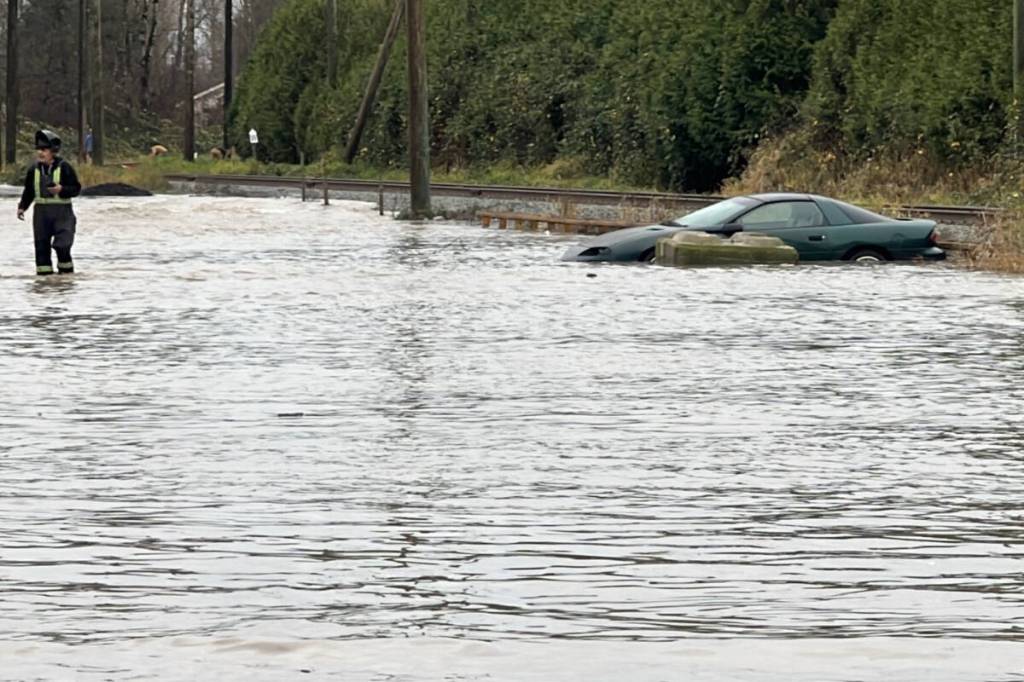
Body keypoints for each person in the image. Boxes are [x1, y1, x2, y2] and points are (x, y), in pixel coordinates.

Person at [17, 130, 82, 276]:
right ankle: (44, 283)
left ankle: (66, 279)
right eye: (39, 150)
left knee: (62, 246)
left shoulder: (65, 167)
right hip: (41, 214)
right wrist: (22, 207)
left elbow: (76, 189)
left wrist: (61, 189)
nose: (40, 153)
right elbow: (29, 191)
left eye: (44, 150)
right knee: (41, 249)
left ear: (53, 151)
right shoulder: (33, 170)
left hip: (62, 213)